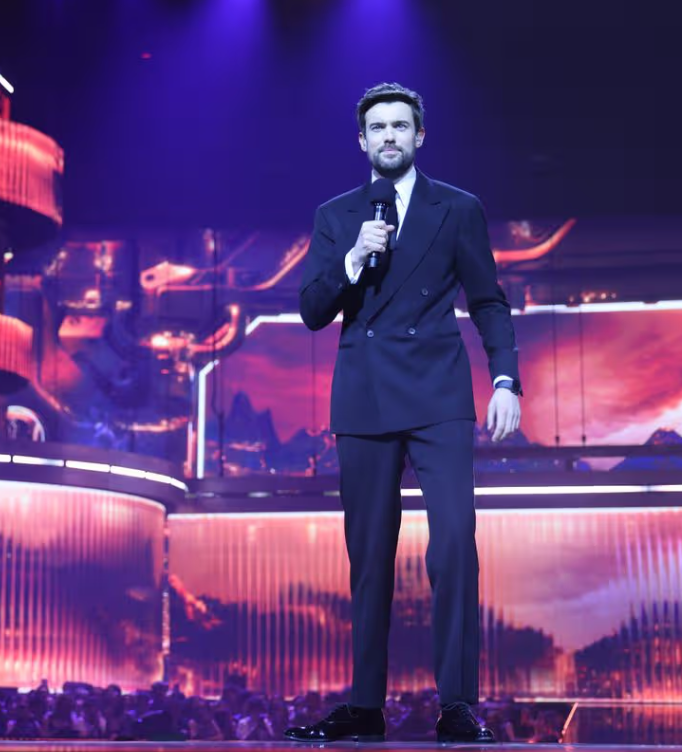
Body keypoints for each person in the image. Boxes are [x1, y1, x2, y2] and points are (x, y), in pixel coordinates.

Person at [286, 82, 522, 744]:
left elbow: (488, 299)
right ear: (361, 141)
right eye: (377, 127)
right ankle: (365, 705)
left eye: (399, 126)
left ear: (419, 136)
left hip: (439, 394)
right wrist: (353, 259)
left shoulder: (458, 208)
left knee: (454, 545)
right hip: (363, 395)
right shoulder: (337, 215)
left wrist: (505, 379)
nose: (388, 136)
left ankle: (458, 704)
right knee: (369, 555)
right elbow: (311, 311)